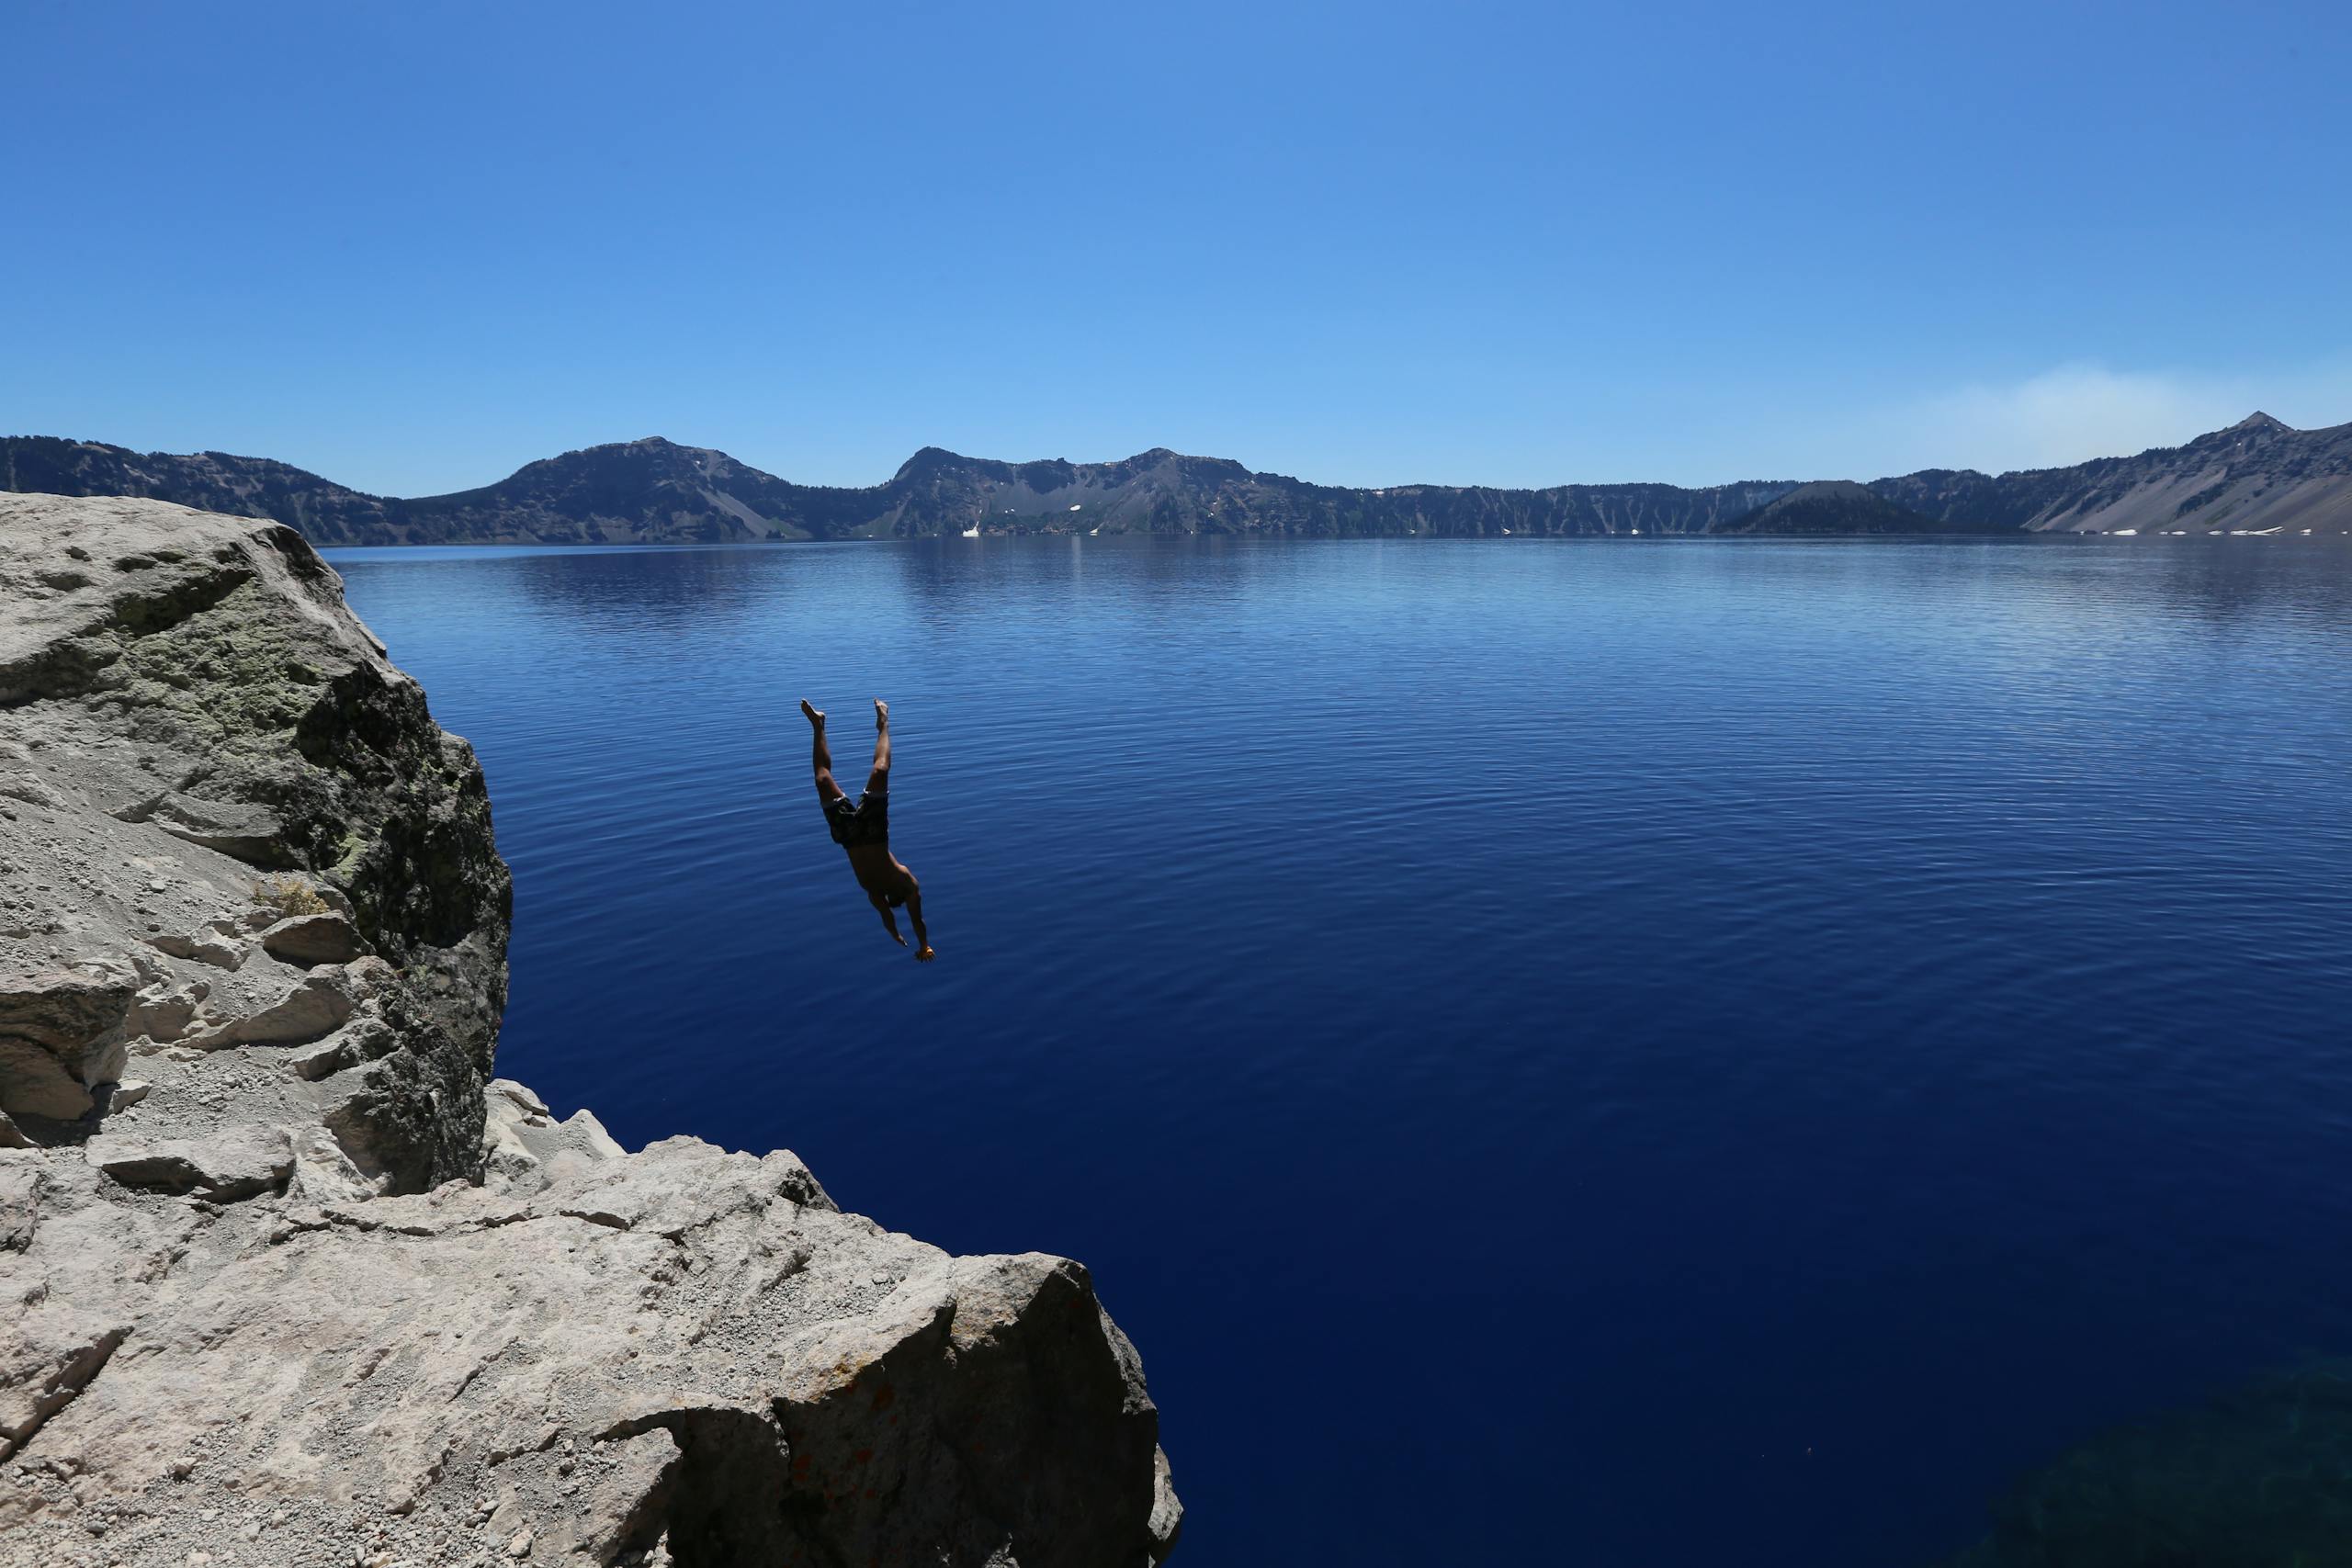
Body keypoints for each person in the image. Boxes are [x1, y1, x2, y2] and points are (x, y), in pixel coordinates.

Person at [802, 697, 933, 961]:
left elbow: (886, 918)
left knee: (821, 778)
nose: (893, 901)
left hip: (848, 836)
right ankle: (883, 722)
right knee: (880, 770)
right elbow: (917, 919)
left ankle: (819, 725)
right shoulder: (907, 882)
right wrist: (924, 945)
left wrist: (895, 935)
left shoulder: (875, 894)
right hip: (873, 833)